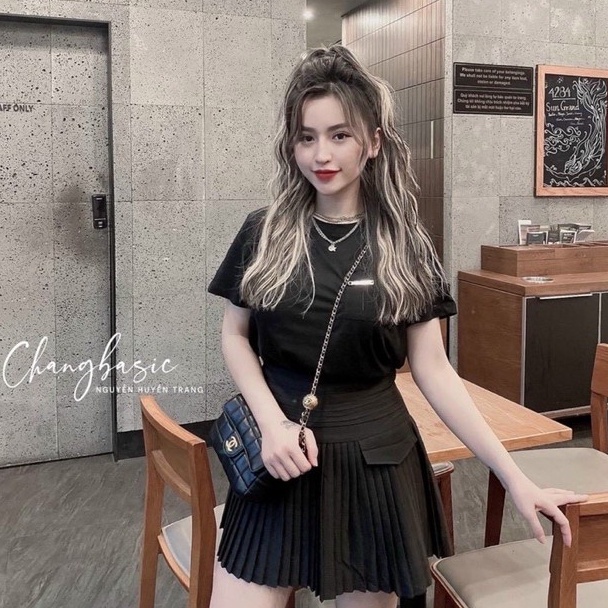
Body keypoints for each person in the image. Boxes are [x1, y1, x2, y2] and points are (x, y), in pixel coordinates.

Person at [207, 45, 586, 608]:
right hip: (279, 450)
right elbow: (235, 335)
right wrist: (271, 423)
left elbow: (435, 371)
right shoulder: (265, 232)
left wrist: (515, 478)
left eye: (340, 135)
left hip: (376, 461)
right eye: (306, 137)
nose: (321, 154)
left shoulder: (405, 245)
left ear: (374, 142)